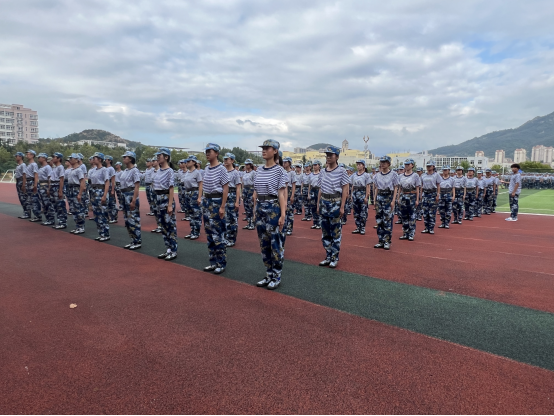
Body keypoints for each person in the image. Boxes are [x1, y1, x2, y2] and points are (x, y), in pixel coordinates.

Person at [253, 140, 288, 290]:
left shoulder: (280, 171)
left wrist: (283, 214)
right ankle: (268, 274)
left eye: (267, 148)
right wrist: (255, 210)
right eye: (263, 148)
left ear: (275, 151)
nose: (264, 150)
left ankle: (276, 276)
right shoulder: (259, 170)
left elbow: (282, 194)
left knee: (275, 244)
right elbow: (256, 192)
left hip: (273, 207)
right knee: (264, 244)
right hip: (260, 208)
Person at [317, 146, 350, 268]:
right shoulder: (322, 171)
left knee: (335, 232)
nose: (328, 157)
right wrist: (318, 204)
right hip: (324, 202)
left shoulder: (342, 171)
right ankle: (328, 255)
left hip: (335, 202)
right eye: (327, 155)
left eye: (331, 155)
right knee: (325, 232)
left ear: (337, 157)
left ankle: (334, 257)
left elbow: (345, 189)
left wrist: (342, 206)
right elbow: (320, 189)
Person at [202, 144, 230, 274]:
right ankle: (213, 262)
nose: (207, 154)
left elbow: (225, 188)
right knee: (209, 234)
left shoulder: (222, 169)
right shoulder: (206, 168)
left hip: (216, 201)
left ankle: (221, 263)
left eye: (210, 151)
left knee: (218, 234)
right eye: (206, 151)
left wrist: (222, 206)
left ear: (217, 153)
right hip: (207, 202)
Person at [154, 148, 178, 261]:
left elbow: (171, 188)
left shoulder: (170, 171)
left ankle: (173, 250)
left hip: (166, 198)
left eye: (160, 155)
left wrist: (169, 204)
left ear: (166, 157)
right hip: (158, 199)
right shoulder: (158, 171)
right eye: (157, 155)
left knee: (170, 226)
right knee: (163, 226)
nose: (158, 157)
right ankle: (168, 248)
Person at [373, 156, 399, 250]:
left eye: (385, 162)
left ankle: (387, 241)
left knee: (387, 220)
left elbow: (396, 187)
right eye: (381, 162)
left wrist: (393, 200)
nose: (382, 164)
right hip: (379, 197)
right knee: (379, 220)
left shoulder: (393, 174)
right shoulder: (377, 175)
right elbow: (376, 188)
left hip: (388, 197)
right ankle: (381, 240)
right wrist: (375, 200)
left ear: (389, 164)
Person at [120, 151, 142, 250]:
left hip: (130, 194)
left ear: (131, 159)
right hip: (124, 194)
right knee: (127, 220)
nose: (123, 158)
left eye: (125, 157)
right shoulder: (125, 171)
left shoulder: (135, 170)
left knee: (133, 218)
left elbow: (137, 186)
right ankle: (133, 240)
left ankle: (137, 241)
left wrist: (133, 200)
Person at [88, 152, 111, 242]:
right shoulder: (93, 170)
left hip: (101, 191)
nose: (93, 159)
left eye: (95, 158)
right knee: (96, 214)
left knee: (103, 213)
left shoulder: (104, 170)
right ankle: (101, 233)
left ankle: (106, 234)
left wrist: (105, 195)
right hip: (94, 192)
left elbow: (107, 182)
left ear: (100, 159)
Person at [398, 159, 422, 241]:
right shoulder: (401, 176)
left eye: (408, 164)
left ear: (412, 165)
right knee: (404, 216)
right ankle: (405, 233)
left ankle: (411, 233)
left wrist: (417, 200)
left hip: (412, 196)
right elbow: (400, 188)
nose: (407, 166)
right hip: (403, 196)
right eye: (405, 164)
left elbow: (418, 188)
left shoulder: (415, 176)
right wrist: (398, 198)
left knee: (412, 216)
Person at [223, 153, 242, 247]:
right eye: (224, 159)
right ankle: (225, 237)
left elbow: (238, 187)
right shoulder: (223, 172)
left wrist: (237, 201)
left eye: (227, 159)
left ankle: (231, 239)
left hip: (232, 194)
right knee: (224, 217)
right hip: (224, 195)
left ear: (232, 161)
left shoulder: (235, 173)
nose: (225, 161)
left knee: (232, 218)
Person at [183, 156, 203, 240]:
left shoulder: (197, 172)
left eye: (188, 161)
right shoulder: (187, 172)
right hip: (187, 192)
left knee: (196, 213)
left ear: (194, 162)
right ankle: (192, 231)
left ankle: (196, 232)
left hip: (194, 192)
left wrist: (199, 197)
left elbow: (200, 185)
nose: (186, 163)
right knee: (190, 214)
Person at [66, 154, 87, 234]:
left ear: (77, 160)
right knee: (73, 209)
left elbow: (82, 182)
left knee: (78, 208)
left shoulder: (79, 170)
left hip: (76, 189)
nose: (70, 160)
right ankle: (77, 226)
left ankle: (81, 227)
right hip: (71, 189)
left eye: (72, 158)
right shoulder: (71, 170)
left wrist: (80, 194)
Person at [351, 160, 372, 235]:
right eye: (357, 165)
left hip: (362, 193)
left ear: (363, 166)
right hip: (355, 193)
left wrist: (366, 197)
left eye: (360, 164)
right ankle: (358, 227)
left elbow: (368, 187)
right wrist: (351, 195)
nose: (358, 166)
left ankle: (362, 227)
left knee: (363, 212)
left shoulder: (366, 175)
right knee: (356, 212)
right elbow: (352, 186)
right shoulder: (354, 175)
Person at [420, 161, 441, 234]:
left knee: (432, 212)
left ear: (433, 166)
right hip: (425, 194)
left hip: (433, 194)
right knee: (425, 212)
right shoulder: (423, 175)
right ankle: (426, 227)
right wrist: (420, 195)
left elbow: (438, 185)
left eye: (430, 166)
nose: (428, 167)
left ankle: (431, 228)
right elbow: (421, 186)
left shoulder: (436, 175)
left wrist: (438, 195)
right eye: (427, 166)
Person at [49, 152, 68, 229]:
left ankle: (63, 222)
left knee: (60, 205)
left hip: (57, 186)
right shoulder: (54, 167)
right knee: (55, 205)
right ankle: (59, 221)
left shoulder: (60, 167)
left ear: (59, 159)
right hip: (53, 185)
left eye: (54, 157)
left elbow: (61, 179)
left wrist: (60, 190)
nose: (53, 158)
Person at [36, 153, 56, 226]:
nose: (38, 159)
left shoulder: (48, 167)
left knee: (48, 203)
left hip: (45, 186)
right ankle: (48, 219)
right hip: (41, 186)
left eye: (39, 157)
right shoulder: (41, 167)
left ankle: (51, 219)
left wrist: (49, 189)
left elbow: (49, 178)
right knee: (44, 204)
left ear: (44, 158)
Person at [24, 150, 42, 222]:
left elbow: (36, 174)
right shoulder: (29, 164)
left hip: (32, 181)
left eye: (28, 154)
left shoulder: (34, 164)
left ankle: (38, 215)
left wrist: (35, 185)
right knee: (30, 200)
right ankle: (36, 215)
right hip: (28, 182)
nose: (27, 155)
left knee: (34, 199)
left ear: (32, 155)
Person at [283, 157, 297, 236]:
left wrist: (292, 195)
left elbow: (293, 185)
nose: (284, 164)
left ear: (289, 163)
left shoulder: (292, 173)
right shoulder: (282, 172)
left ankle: (289, 228)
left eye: (286, 162)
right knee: (283, 210)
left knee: (290, 211)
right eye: (283, 162)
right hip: (283, 191)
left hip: (289, 190)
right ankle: (284, 227)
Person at [241, 159, 257, 230]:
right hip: (245, 189)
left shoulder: (254, 173)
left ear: (251, 165)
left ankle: (252, 223)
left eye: (248, 164)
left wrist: (254, 193)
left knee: (251, 206)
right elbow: (242, 183)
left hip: (251, 189)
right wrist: (242, 191)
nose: (246, 165)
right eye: (246, 164)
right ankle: (248, 222)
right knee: (246, 206)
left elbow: (255, 184)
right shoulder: (244, 173)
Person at [14, 152, 29, 219]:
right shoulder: (18, 165)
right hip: (18, 181)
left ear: (20, 157)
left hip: (21, 181)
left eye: (16, 156)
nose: (16, 157)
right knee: (21, 198)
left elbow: (24, 175)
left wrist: (24, 184)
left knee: (24, 198)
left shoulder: (23, 165)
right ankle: (25, 212)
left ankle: (27, 212)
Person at [308, 160, 322, 230]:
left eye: (316, 165)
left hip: (319, 190)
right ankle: (315, 223)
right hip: (312, 190)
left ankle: (319, 223)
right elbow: (309, 185)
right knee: (313, 207)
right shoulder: (311, 175)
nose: (314, 166)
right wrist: (308, 193)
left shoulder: (321, 174)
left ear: (319, 166)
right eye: (314, 165)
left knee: (318, 206)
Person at [104, 156, 118, 224]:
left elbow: (113, 180)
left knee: (112, 203)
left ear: (110, 161)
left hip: (110, 186)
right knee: (107, 203)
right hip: (106, 186)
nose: (105, 160)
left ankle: (114, 217)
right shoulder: (105, 168)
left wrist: (112, 189)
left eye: (106, 159)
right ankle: (109, 217)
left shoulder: (111, 169)